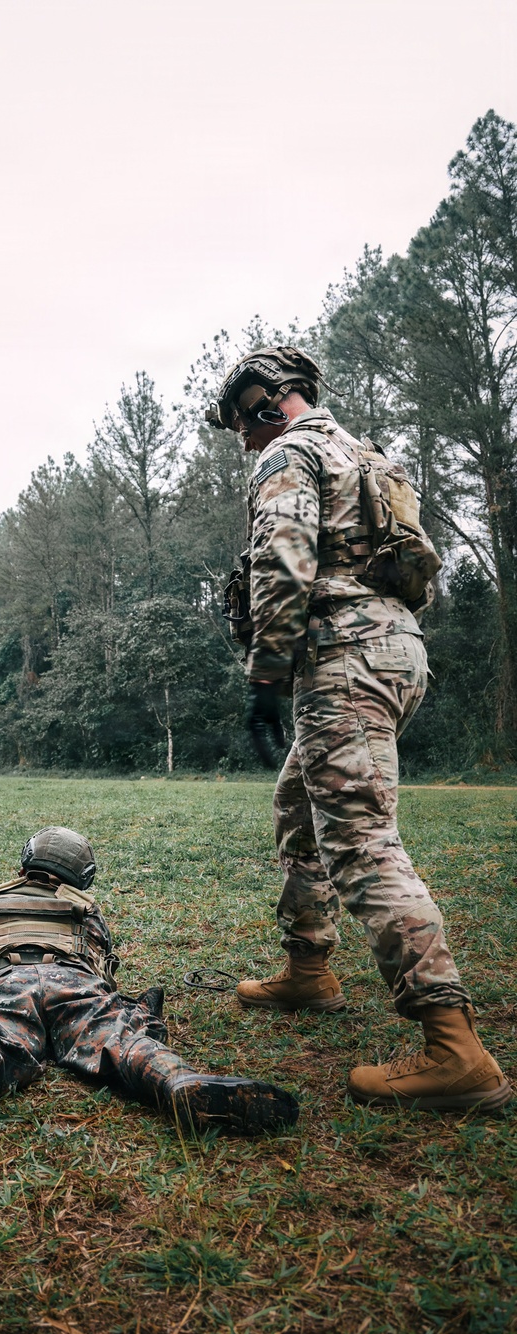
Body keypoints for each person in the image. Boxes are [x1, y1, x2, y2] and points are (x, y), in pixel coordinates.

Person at [207, 346, 511, 1113]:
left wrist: (267, 675)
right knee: (299, 806)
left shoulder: (290, 450)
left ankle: (455, 1049)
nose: (244, 439)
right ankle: (309, 968)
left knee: (361, 839)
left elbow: (283, 557)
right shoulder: (367, 457)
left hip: (339, 654)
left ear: (269, 401)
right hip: (395, 646)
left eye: (243, 422)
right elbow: (411, 571)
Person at [0, 827, 298, 1164]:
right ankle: (176, 1080)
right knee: (122, 1037)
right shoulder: (86, 910)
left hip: (7, 983)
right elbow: (102, 964)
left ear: (26, 864)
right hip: (73, 981)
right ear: (81, 875)